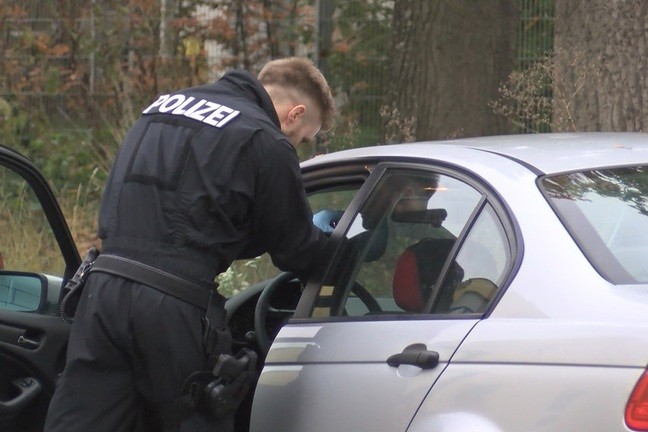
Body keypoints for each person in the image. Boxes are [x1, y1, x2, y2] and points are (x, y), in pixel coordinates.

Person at [44, 57, 336, 432]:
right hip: (172, 307)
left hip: (102, 290)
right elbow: (296, 251)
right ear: (296, 115)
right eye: (304, 139)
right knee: (196, 416)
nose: (297, 145)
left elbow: (193, 217)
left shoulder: (160, 109)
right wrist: (337, 241)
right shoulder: (265, 140)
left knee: (83, 419)